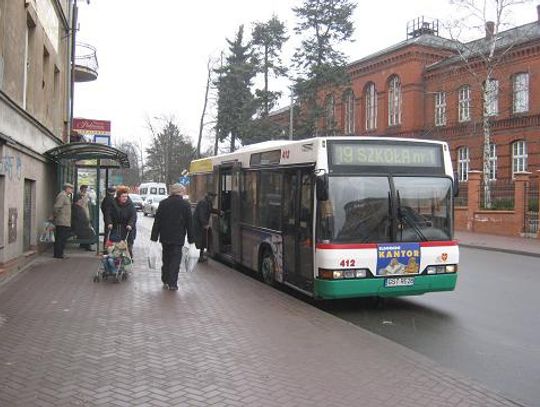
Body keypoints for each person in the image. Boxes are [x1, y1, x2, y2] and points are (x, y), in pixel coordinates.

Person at [150, 184, 194, 291]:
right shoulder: (185, 205)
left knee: (166, 258)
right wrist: (191, 239)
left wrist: (154, 237)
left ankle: (165, 279)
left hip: (165, 237)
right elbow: (189, 223)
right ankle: (173, 283)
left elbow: (157, 221)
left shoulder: (163, 203)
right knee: (175, 260)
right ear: (181, 192)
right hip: (178, 237)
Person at [105, 186, 137, 259]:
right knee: (115, 246)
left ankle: (128, 260)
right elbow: (108, 214)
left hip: (127, 229)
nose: (125, 198)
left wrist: (130, 224)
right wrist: (109, 223)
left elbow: (133, 216)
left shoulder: (130, 205)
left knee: (127, 246)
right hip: (116, 228)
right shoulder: (113, 203)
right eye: (123, 196)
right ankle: (116, 260)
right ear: (119, 197)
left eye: (126, 196)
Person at [193, 192, 217, 263]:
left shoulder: (208, 202)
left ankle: (202, 256)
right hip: (199, 225)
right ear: (209, 196)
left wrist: (219, 212)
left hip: (201, 224)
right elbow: (201, 214)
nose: (213, 198)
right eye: (212, 197)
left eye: (214, 197)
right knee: (202, 241)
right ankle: (200, 257)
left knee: (203, 240)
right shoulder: (203, 202)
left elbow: (211, 210)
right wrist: (205, 224)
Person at [53, 182, 74, 259]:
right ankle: (58, 254)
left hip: (65, 221)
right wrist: (55, 216)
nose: (72, 190)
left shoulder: (66, 196)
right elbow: (57, 207)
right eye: (71, 188)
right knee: (60, 238)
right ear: (67, 188)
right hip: (62, 221)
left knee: (62, 238)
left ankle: (60, 253)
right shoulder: (62, 196)